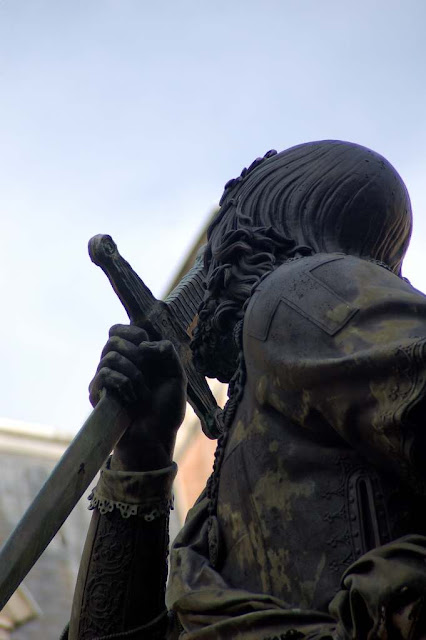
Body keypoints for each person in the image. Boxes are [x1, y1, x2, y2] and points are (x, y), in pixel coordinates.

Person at [68, 141, 426, 640]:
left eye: (215, 248)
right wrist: (141, 459)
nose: (202, 292)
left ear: (242, 240)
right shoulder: (234, 460)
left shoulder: (293, 295)